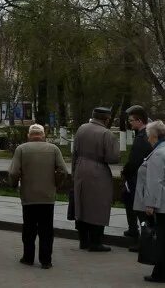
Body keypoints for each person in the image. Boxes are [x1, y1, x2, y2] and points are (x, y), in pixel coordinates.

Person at [8, 123, 67, 269]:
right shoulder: (53, 149)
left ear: (29, 135)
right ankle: (46, 260)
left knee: (29, 228)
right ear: (43, 135)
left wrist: (14, 184)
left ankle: (28, 257)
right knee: (46, 229)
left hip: (28, 196)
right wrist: (56, 184)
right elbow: (63, 171)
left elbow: (13, 172)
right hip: (47, 196)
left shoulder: (21, 149)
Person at [133, 120, 165, 283]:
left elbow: (155, 181)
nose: (148, 139)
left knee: (161, 239)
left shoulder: (159, 154)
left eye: (149, 136)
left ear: (154, 136)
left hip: (161, 202)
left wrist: (150, 204)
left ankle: (161, 272)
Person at [72, 106, 121, 252]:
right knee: (98, 205)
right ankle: (95, 242)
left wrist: (74, 171)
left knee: (82, 204)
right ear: (106, 119)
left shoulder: (81, 129)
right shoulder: (106, 134)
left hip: (80, 168)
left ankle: (83, 240)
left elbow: (74, 151)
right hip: (98, 171)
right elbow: (113, 158)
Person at [121, 105, 153, 244]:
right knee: (130, 201)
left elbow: (135, 160)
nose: (130, 123)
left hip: (138, 177)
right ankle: (133, 229)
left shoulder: (142, 137)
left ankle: (143, 238)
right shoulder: (146, 134)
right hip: (140, 176)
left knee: (139, 208)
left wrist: (126, 172)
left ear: (139, 121)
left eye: (132, 120)